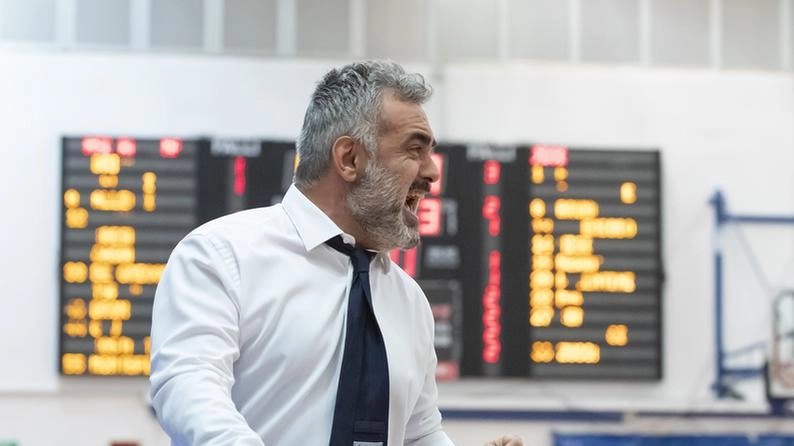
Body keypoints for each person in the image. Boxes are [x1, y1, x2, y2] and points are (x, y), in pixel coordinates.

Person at [149, 60, 523, 446]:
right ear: (349, 159)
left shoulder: (409, 300)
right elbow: (188, 386)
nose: (432, 172)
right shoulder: (222, 256)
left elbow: (418, 434)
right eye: (415, 150)